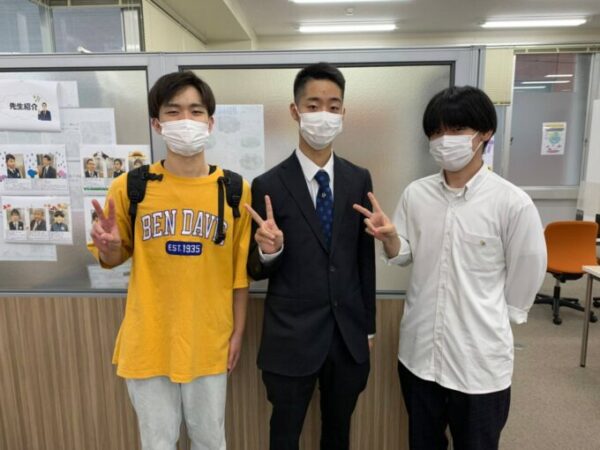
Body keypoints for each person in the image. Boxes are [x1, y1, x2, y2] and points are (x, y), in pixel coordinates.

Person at [353, 86, 547, 450]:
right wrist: (390, 238)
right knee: (423, 443)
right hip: (420, 354)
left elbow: (528, 269)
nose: (445, 140)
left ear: (485, 132)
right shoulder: (416, 194)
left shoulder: (511, 203)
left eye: (457, 130)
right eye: (436, 132)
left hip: (479, 362)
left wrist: (492, 318)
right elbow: (404, 254)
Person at [88, 71, 252, 450]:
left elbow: (239, 275)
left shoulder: (234, 190)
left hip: (208, 340)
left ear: (210, 122)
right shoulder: (131, 187)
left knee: (210, 442)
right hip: (149, 341)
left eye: (196, 111)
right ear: (156, 123)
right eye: (173, 112)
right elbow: (112, 256)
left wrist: (238, 333)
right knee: (157, 443)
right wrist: (108, 245)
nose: (185, 120)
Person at [246, 62, 375, 450]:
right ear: (295, 110)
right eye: (314, 105)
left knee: (338, 433)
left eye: (333, 107)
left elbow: (363, 259)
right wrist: (270, 250)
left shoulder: (358, 178)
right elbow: (254, 269)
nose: (324, 115)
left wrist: (368, 327)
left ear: (343, 113)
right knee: (284, 435)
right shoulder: (267, 185)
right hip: (291, 338)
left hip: (347, 336)